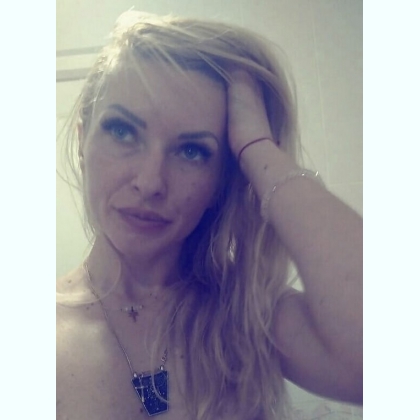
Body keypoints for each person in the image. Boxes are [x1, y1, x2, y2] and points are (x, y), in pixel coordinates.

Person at [56, 10, 362, 420]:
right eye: (123, 131)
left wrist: (257, 146)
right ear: (82, 140)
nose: (150, 182)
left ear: (221, 180)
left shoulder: (248, 316)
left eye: (192, 151)